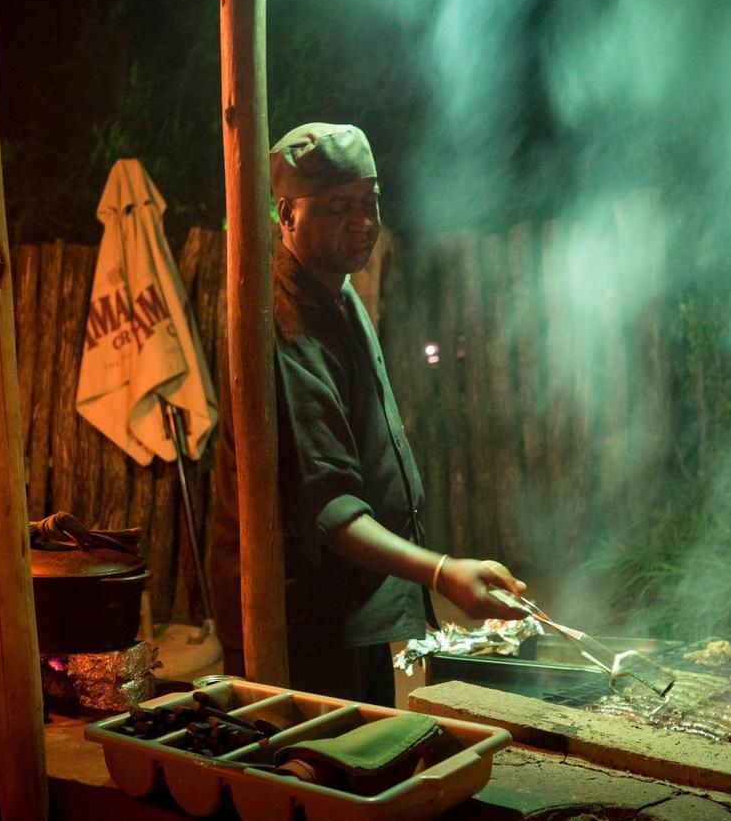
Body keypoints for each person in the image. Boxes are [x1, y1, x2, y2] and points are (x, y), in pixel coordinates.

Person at [209, 122, 526, 706]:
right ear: (286, 215)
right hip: (302, 622)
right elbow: (331, 511)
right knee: (320, 773)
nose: (362, 221)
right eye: (336, 207)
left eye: (368, 201)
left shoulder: (336, 289)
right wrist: (441, 572)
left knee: (367, 755)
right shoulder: (286, 324)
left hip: (351, 609)